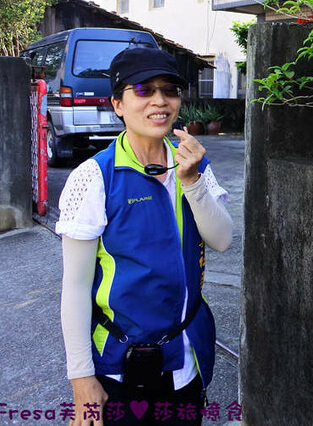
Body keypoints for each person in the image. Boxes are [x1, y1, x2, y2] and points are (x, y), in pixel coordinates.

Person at [57, 48, 233, 426]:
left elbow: (222, 240)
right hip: (118, 365)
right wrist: (81, 380)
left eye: (169, 90)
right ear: (117, 104)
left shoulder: (193, 163)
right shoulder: (94, 177)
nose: (159, 101)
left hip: (185, 357)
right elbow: (75, 286)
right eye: (143, 89)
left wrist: (192, 182)